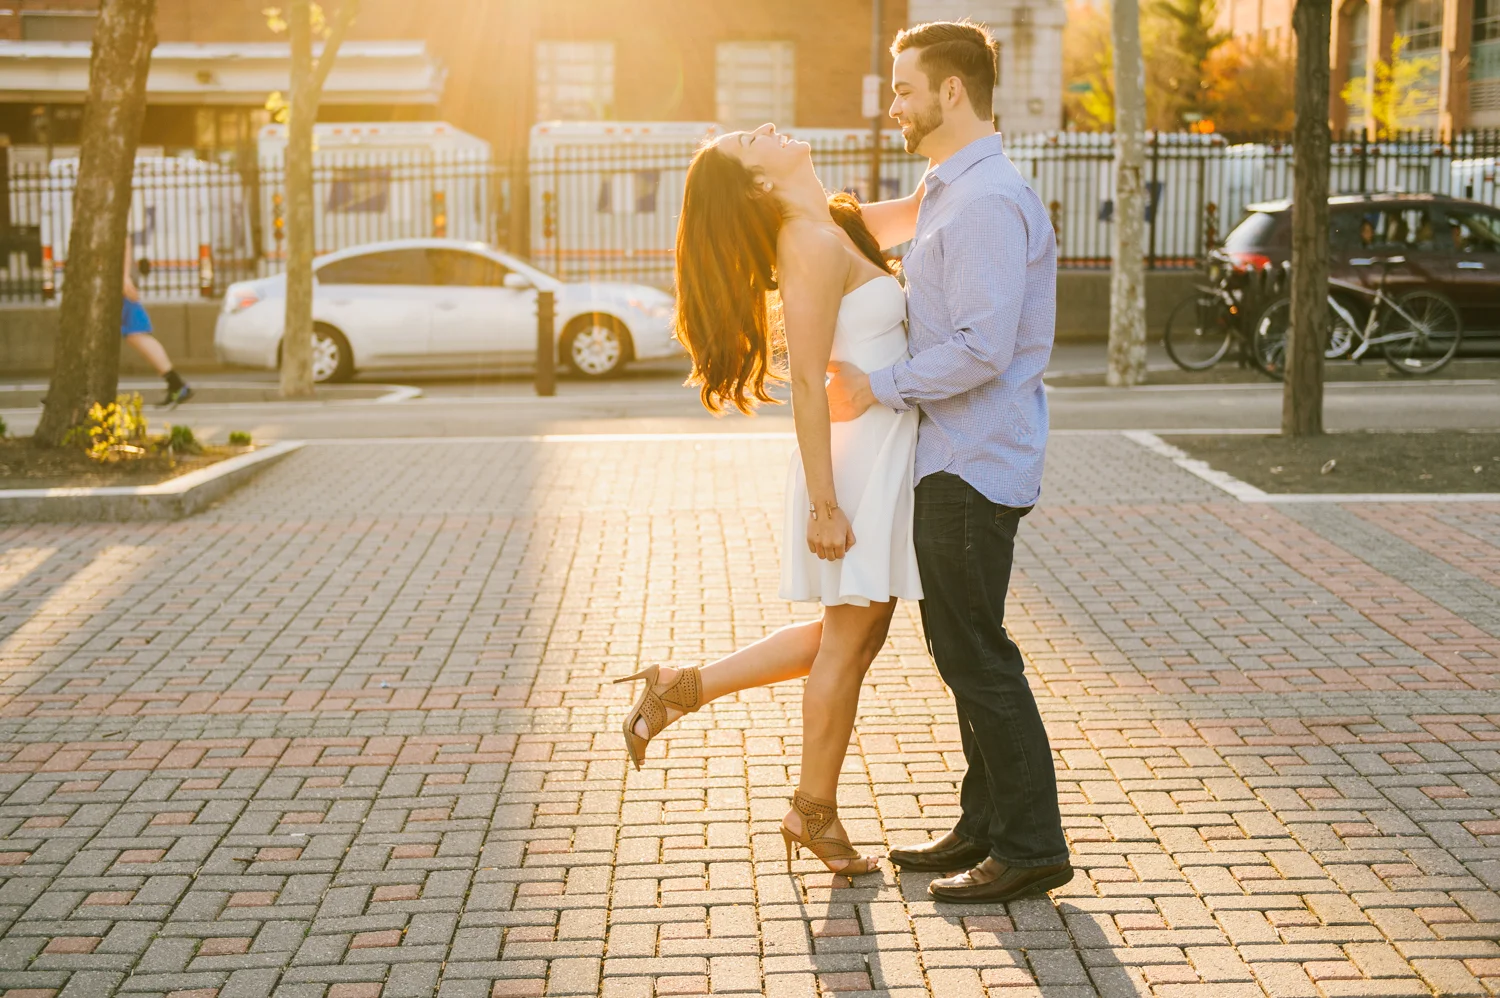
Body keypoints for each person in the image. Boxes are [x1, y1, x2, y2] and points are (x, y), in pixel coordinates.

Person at [611, 122, 925, 875]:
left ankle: (681, 689)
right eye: (752, 141)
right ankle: (812, 810)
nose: (768, 129)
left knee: (855, 635)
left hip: (881, 452)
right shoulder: (806, 244)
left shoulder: (839, 221)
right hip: (852, 465)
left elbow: (924, 205)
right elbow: (810, 386)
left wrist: (966, 108)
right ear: (757, 183)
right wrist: (824, 505)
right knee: (849, 641)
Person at [823, 19, 1073, 903]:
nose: (892, 105)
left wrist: (877, 387)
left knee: (976, 655)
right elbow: (850, 230)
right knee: (962, 647)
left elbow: (981, 347)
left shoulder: (985, 203)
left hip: (974, 461)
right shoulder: (946, 189)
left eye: (903, 89)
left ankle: (1032, 844)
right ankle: (985, 824)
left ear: (951, 91)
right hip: (954, 457)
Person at [122, 245, 193, 407]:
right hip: (120, 283)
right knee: (136, 334)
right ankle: (175, 383)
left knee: (136, 333)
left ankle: (176, 384)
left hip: (119, 285)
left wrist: (124, 277)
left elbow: (124, 242)